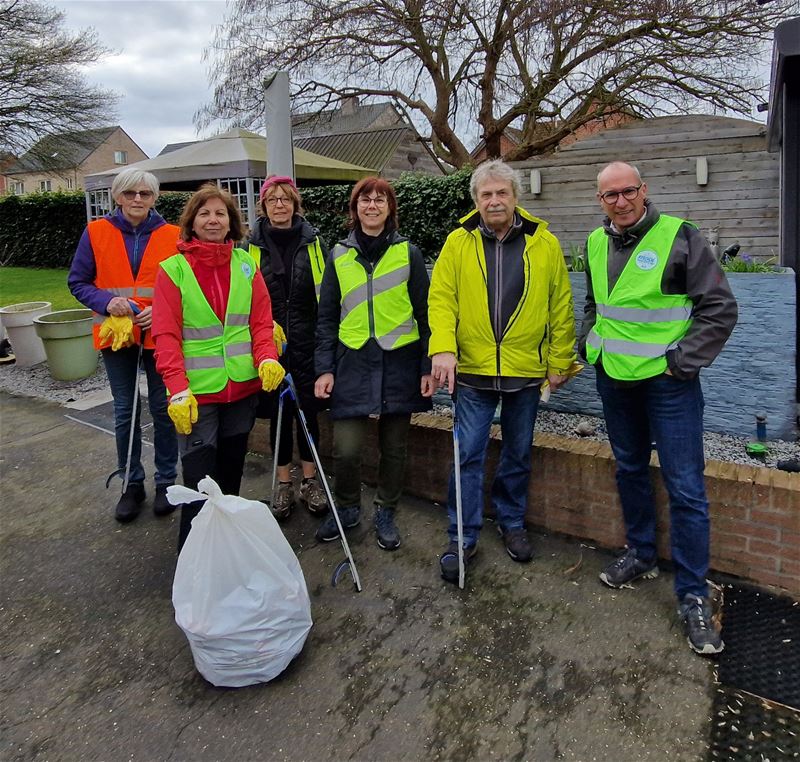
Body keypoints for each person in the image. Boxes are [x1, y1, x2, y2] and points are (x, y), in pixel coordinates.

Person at [579, 161, 737, 655]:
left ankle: (692, 594)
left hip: (669, 386)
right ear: (600, 200)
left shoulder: (680, 236)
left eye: (628, 191)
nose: (621, 201)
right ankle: (642, 552)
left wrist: (680, 364)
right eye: (610, 195)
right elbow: (594, 304)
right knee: (629, 468)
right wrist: (588, 344)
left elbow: (719, 308)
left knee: (685, 486)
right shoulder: (595, 242)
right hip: (614, 379)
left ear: (643, 190)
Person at [429, 159, 576, 584]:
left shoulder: (543, 243)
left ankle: (511, 522)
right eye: (486, 194)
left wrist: (560, 362)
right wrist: (443, 348)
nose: (494, 201)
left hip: (524, 371)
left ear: (515, 197)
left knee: (517, 453)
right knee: (468, 454)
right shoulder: (458, 242)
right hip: (472, 373)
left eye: (501, 193)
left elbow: (560, 306)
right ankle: (462, 535)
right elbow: (442, 300)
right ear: (476, 200)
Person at [151, 184, 285, 550]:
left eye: (221, 213)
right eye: (205, 213)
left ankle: (227, 552)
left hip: (241, 388)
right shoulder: (173, 270)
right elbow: (165, 335)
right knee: (200, 486)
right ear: (192, 221)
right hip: (196, 395)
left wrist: (267, 357)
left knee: (230, 477)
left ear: (231, 222)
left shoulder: (246, 264)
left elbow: (261, 322)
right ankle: (194, 561)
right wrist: (177, 389)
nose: (213, 220)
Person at [314, 177, 434, 550]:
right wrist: (324, 368)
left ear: (390, 208)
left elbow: (426, 313)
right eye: (365, 199)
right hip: (351, 359)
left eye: (380, 199)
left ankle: (386, 509)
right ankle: (348, 507)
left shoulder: (409, 253)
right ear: (355, 208)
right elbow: (326, 317)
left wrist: (427, 366)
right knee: (346, 448)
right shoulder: (338, 255)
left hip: (399, 359)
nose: (372, 205)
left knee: (394, 447)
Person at [68, 168, 179, 523]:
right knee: (124, 410)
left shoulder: (173, 235)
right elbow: (78, 281)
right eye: (130, 193)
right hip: (115, 335)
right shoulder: (95, 232)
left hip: (159, 334)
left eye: (145, 193)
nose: (137, 199)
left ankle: (166, 481)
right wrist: (106, 302)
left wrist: (161, 311)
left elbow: (185, 285)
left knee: (163, 408)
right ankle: (132, 483)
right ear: (117, 196)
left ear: (154, 198)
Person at [245, 176, 329, 520]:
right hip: (270, 344)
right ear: (263, 206)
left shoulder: (314, 243)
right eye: (272, 199)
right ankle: (283, 483)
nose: (279, 205)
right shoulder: (249, 247)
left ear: (296, 204)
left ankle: (310, 481)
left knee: (308, 413)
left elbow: (327, 295)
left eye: (285, 199)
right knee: (278, 414)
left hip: (308, 342)